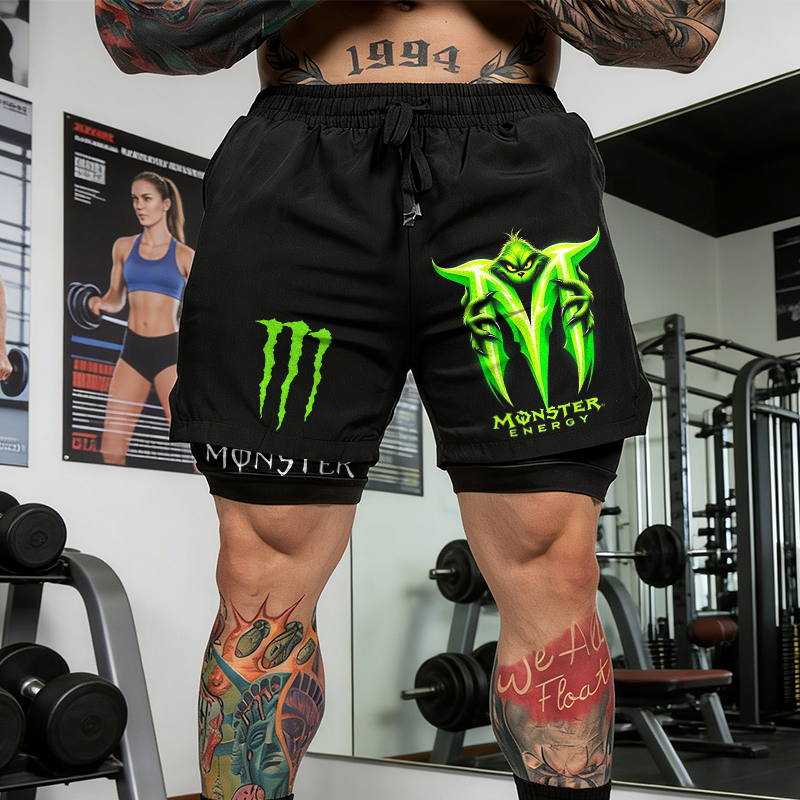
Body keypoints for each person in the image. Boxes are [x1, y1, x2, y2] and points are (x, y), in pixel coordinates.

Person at [95, 2, 725, 799]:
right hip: (296, 167)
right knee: (262, 571)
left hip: (511, 166)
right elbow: (139, 31)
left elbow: (684, 33)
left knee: (551, 559)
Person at [89, 171, 193, 465]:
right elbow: (116, 297)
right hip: (133, 350)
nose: (139, 206)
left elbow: (201, 312)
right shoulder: (124, 247)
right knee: (111, 448)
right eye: (135, 199)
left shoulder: (185, 256)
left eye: (147, 199)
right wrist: (98, 303)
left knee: (195, 448)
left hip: (169, 353)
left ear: (166, 204)